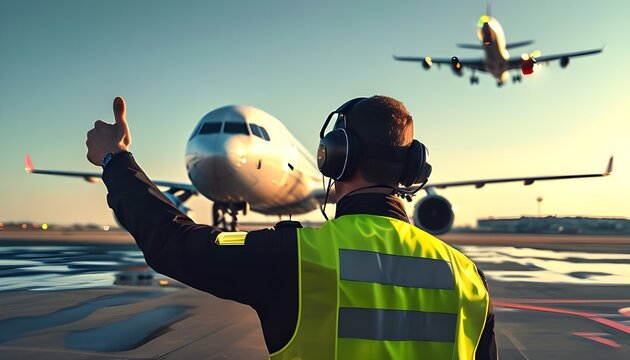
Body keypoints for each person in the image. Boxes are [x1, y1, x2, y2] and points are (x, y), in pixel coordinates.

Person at [86, 96, 497, 359]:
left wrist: (115, 161)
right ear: (410, 171)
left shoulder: (295, 255)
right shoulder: (467, 276)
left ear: (335, 158)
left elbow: (174, 243)